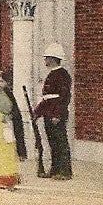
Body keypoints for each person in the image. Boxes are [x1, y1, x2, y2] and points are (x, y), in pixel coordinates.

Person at [33, 43, 73, 180]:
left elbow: (64, 97)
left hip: (56, 113)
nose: (45, 60)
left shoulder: (62, 75)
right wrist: (37, 112)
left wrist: (57, 114)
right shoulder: (52, 74)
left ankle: (65, 172)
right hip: (49, 113)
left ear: (53, 58)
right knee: (52, 143)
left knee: (60, 142)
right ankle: (55, 170)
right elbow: (47, 98)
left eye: (47, 58)